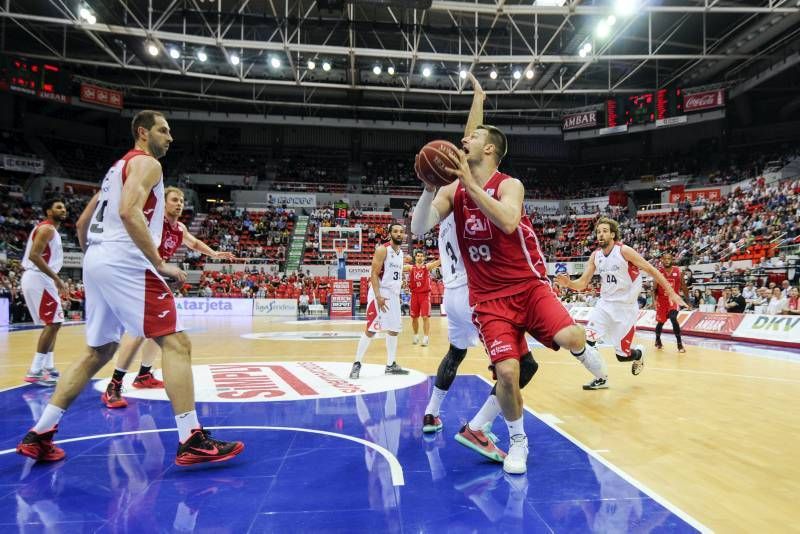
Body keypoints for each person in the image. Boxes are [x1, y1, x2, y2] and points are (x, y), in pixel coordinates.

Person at [16, 110, 243, 466]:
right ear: (143, 132)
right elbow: (127, 211)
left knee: (98, 351)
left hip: (97, 257)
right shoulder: (148, 164)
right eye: (163, 130)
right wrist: (158, 260)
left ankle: (40, 433)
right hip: (126, 259)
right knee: (177, 341)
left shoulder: (114, 170)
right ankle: (191, 438)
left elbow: (81, 223)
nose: (170, 138)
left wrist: (97, 256)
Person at [410, 113, 607, 475]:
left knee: (570, 335)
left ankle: (583, 349)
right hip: (488, 300)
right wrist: (428, 187)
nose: (462, 141)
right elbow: (418, 227)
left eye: (472, 137)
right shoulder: (452, 190)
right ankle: (518, 441)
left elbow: (508, 221)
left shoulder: (508, 184)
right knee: (507, 373)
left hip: (528, 287)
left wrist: (469, 184)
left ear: (489, 148)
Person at [416, 73, 537, 465]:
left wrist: (479, 98)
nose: (465, 142)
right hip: (480, 290)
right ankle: (480, 425)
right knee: (524, 365)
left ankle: (432, 411)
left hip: (453, 295)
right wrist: (478, 104)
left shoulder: (453, 191)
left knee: (455, 352)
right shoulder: (467, 190)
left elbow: (468, 143)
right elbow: (470, 145)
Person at [87, 186, 236, 409]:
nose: (179, 204)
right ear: (163, 203)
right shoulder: (152, 222)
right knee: (138, 331)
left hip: (153, 276)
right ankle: (114, 385)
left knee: (163, 328)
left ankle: (144, 374)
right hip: (136, 274)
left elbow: (193, 243)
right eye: (175, 200)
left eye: (182, 201)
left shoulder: (180, 228)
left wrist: (214, 253)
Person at [556, 218, 687, 389]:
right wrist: (569, 284)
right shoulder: (595, 256)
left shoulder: (624, 251)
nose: (601, 234)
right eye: (598, 231)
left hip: (625, 309)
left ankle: (639, 353)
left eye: (604, 231)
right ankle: (601, 378)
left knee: (622, 355)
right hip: (604, 305)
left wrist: (672, 293)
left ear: (612, 234)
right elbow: (582, 283)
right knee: (586, 342)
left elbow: (651, 269)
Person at [349, 222, 411, 379]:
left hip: (394, 295)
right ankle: (357, 363)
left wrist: (400, 283)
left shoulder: (401, 253)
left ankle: (390, 365)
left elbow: (394, 273)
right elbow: (374, 274)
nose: (398, 234)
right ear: (390, 233)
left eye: (401, 232)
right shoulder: (383, 249)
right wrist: (378, 296)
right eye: (395, 231)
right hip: (380, 293)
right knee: (371, 329)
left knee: (394, 329)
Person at [20, 198, 70, 386]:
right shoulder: (47, 228)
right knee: (54, 323)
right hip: (38, 277)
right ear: (49, 211)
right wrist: (56, 278)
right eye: (58, 207)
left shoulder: (51, 229)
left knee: (55, 323)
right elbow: (34, 255)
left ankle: (48, 367)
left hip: (40, 278)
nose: (63, 209)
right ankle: (35, 371)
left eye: (63, 206)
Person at [653, 252, 688, 353]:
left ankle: (679, 344)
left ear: (672, 259)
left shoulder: (678, 271)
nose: (667, 260)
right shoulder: (658, 272)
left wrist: (688, 301)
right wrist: (654, 301)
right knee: (661, 323)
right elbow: (654, 289)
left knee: (673, 318)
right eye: (665, 259)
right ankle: (657, 339)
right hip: (662, 301)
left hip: (673, 300)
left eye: (669, 258)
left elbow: (684, 287)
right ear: (662, 260)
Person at [406, 250, 440, 346]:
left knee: (425, 317)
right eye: (418, 256)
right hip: (414, 295)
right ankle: (416, 336)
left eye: (421, 256)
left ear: (424, 258)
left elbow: (437, 262)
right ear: (415, 257)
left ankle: (426, 337)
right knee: (414, 318)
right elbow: (399, 267)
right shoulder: (410, 268)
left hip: (424, 295)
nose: (420, 257)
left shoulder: (427, 267)